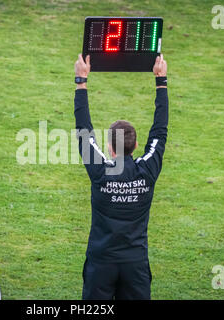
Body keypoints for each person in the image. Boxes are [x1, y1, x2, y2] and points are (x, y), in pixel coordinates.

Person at [73, 53, 168, 300]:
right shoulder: (147, 170)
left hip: (100, 264)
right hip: (135, 265)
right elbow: (160, 131)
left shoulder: (101, 172)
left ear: (109, 147)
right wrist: (161, 81)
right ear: (136, 145)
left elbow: (84, 132)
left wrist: (81, 81)